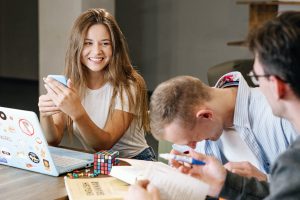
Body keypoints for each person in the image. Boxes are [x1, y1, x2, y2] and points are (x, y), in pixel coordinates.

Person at [126, 11, 300, 200]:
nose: (191, 148)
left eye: (257, 77)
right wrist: (222, 183)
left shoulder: (282, 118)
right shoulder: (204, 139)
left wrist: (265, 181)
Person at [38, 8, 155, 160]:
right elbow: (53, 140)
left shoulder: (128, 85)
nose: (97, 51)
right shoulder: (69, 83)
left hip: (136, 161)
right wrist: (45, 114)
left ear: (115, 47)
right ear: (77, 47)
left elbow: (104, 144)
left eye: (105, 43)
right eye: (88, 43)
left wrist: (77, 112)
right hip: (100, 161)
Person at [151, 70, 297, 181]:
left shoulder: (283, 114)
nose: (192, 147)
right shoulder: (189, 128)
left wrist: (265, 181)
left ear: (206, 115)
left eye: (193, 139)